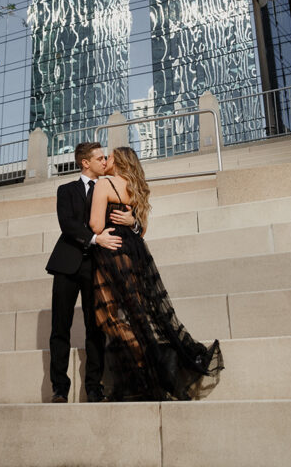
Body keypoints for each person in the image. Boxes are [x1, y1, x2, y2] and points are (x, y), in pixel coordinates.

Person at [89, 146, 224, 401]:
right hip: (135, 252)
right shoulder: (135, 187)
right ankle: (157, 361)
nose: (105, 160)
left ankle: (149, 359)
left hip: (112, 251)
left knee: (105, 317)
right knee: (138, 313)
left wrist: (98, 228)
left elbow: (96, 225)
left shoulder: (105, 184)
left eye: (110, 156)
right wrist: (131, 222)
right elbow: (142, 229)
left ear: (118, 161)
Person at [46, 141, 135, 403]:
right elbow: (68, 225)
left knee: (95, 327)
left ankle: (94, 387)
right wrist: (95, 239)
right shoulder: (66, 190)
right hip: (67, 264)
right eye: (100, 158)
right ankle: (59, 388)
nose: (105, 161)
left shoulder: (113, 186)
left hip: (98, 267)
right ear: (86, 162)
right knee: (59, 327)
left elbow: (132, 217)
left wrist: (133, 220)